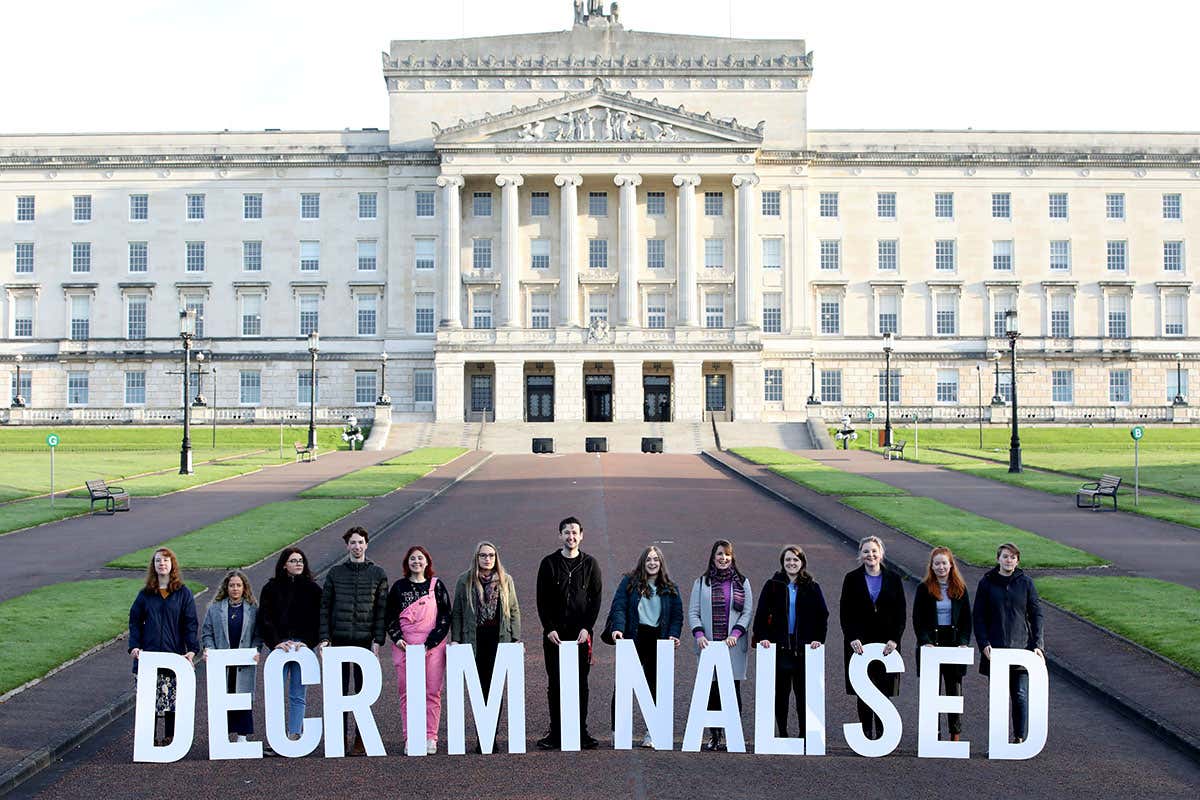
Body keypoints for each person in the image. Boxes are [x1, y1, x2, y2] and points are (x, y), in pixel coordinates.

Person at [601, 545, 683, 748]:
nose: (652, 563)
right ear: (642, 563)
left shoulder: (670, 588)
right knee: (623, 685)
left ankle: (651, 733)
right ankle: (618, 732)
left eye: (656, 559)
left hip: (658, 638)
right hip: (634, 636)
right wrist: (617, 629)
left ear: (661, 563)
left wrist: (673, 635)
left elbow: (677, 616)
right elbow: (619, 606)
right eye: (648, 559)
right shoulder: (629, 582)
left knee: (655, 686)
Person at [318, 526, 389, 756]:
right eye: (353, 542)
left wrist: (378, 640)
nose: (357, 546)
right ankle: (339, 737)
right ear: (347, 545)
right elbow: (325, 607)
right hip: (339, 640)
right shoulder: (335, 573)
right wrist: (324, 637)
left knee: (361, 691)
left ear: (366, 544)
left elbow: (381, 610)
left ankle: (361, 738)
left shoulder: (378, 574)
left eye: (360, 542)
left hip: (364, 641)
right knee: (338, 692)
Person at [535, 516, 603, 750]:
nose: (571, 536)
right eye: (566, 532)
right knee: (555, 683)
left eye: (574, 532)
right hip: (554, 635)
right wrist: (548, 628)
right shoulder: (548, 563)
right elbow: (541, 599)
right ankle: (556, 732)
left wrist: (587, 628)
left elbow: (595, 600)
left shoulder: (591, 564)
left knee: (581, 683)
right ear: (560, 535)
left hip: (581, 635)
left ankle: (581, 732)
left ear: (581, 535)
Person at [751, 545, 828, 738]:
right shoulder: (772, 585)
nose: (791, 563)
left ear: (802, 562)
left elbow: (822, 615)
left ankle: (803, 735)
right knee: (781, 695)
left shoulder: (812, 586)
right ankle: (783, 734)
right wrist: (762, 637)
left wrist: (818, 639)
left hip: (803, 648)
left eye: (795, 559)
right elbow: (761, 614)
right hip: (780, 648)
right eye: (788, 560)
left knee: (803, 696)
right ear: (782, 562)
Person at [973, 542, 1044, 744]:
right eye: (1005, 556)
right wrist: (983, 643)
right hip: (995, 650)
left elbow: (1036, 615)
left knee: (1020, 695)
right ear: (998, 559)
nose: (1008, 560)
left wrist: (1038, 644)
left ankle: (1019, 738)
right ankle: (998, 741)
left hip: (1021, 648)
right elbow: (978, 616)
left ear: (1017, 561)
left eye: (1013, 557)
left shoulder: (1026, 583)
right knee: (999, 698)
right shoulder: (986, 583)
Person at [127, 547, 199, 747]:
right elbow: (134, 621)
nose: (162, 564)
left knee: (171, 700)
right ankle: (149, 739)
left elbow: (190, 623)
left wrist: (192, 649)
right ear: (154, 565)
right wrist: (134, 646)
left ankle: (170, 738)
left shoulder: (183, 593)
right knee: (149, 700)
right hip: (149, 655)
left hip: (173, 654)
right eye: (158, 560)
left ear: (172, 564)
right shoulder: (145, 595)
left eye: (166, 560)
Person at [385, 545, 452, 755]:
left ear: (427, 562)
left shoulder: (436, 585)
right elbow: (390, 616)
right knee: (407, 693)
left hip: (432, 646)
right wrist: (397, 638)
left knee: (432, 691)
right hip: (405, 647)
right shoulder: (398, 587)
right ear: (407, 563)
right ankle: (410, 737)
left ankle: (431, 736)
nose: (416, 562)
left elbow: (445, 616)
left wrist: (431, 641)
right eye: (412, 559)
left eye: (420, 558)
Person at [687, 539, 753, 751]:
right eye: (719, 554)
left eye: (727, 554)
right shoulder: (701, 583)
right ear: (713, 557)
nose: (723, 558)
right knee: (712, 690)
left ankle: (733, 734)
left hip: (732, 646)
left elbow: (747, 612)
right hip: (709, 645)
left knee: (733, 690)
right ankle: (714, 735)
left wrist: (735, 633)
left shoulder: (742, 582)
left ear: (732, 557)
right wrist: (699, 634)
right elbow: (693, 612)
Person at [840, 535, 906, 741]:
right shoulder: (851, 578)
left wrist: (894, 639)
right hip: (860, 643)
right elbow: (845, 611)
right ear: (860, 554)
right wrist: (852, 637)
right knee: (864, 690)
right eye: (866, 551)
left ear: (881, 553)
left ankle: (883, 734)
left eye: (874, 551)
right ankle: (867, 733)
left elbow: (901, 612)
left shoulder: (894, 579)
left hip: (886, 644)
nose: (870, 555)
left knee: (883, 689)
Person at [256, 547, 322, 745]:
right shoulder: (270, 588)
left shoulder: (313, 589)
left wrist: (307, 642)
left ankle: (295, 734)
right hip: (280, 648)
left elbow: (319, 619)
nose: (298, 563)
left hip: (303, 648)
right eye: (293, 560)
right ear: (284, 564)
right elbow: (265, 619)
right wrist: (276, 642)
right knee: (275, 694)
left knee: (298, 694)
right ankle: (276, 739)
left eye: (301, 560)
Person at [912, 546, 972, 742]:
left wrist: (963, 642)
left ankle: (955, 733)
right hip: (931, 644)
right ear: (931, 566)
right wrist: (925, 641)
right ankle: (934, 734)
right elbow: (918, 619)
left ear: (951, 565)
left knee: (954, 690)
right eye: (936, 563)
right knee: (932, 691)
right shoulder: (923, 589)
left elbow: (966, 620)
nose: (941, 567)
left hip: (953, 644)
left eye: (944, 563)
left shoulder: (960, 589)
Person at [450, 541, 521, 697]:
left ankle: (494, 714)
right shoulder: (465, 580)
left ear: (496, 558)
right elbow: (457, 612)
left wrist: (515, 638)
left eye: (491, 555)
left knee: (497, 685)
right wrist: (455, 639)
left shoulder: (505, 579)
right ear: (477, 557)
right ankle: (482, 713)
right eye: (483, 555)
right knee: (478, 683)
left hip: (499, 636)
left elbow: (513, 609)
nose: (487, 559)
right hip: (475, 637)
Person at [201, 570, 263, 742]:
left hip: (244, 662)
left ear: (244, 588)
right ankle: (223, 737)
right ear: (226, 588)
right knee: (223, 697)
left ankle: (242, 736)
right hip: (222, 662)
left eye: (238, 585)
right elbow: (207, 633)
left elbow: (258, 634)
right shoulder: (215, 609)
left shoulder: (253, 609)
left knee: (242, 696)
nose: (235, 588)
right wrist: (210, 650)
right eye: (232, 585)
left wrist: (256, 650)